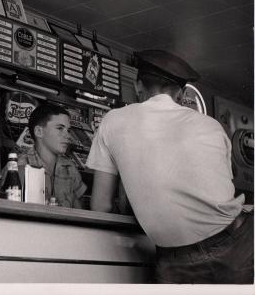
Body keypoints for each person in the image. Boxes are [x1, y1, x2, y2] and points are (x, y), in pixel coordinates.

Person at [86, 49, 253, 284]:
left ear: (137, 85)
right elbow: (220, 186)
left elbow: (100, 206)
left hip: (175, 259)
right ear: (182, 93)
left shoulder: (112, 121)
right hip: (239, 243)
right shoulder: (211, 125)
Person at [4, 103, 87, 208]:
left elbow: (79, 216)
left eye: (68, 130)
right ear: (39, 131)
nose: (68, 136)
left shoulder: (70, 169)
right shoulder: (18, 167)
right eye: (60, 128)